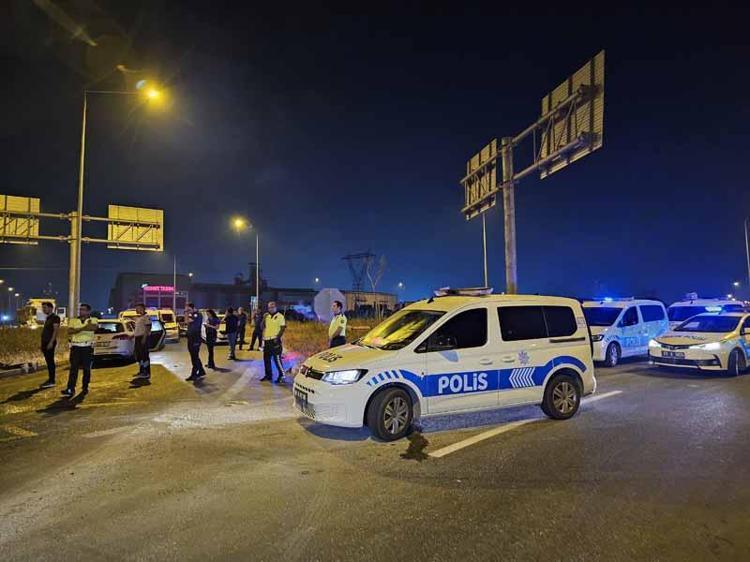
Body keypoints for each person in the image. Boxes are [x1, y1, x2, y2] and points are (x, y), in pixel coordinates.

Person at [62, 303, 98, 398]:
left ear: (88, 311)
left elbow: (93, 328)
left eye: (83, 309)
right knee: (73, 369)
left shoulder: (93, 319)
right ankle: (70, 388)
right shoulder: (73, 320)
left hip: (87, 347)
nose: (81, 311)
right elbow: (70, 331)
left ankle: (85, 386)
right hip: (76, 347)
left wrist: (77, 329)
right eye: (80, 309)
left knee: (86, 369)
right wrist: (85, 327)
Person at [260, 301, 286, 383]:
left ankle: (282, 375)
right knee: (266, 359)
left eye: (272, 307)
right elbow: (261, 327)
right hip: (267, 340)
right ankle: (268, 375)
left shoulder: (280, 316)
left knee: (276, 359)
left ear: (275, 307)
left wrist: (277, 338)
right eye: (269, 307)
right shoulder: (267, 316)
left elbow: (282, 328)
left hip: (275, 341)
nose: (270, 309)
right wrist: (263, 318)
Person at [39, 302, 60, 389]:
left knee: (50, 362)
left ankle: (52, 380)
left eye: (45, 307)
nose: (43, 309)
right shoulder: (48, 318)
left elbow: (55, 331)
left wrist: (51, 342)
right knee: (48, 361)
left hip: (49, 342)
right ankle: (50, 379)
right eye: (43, 308)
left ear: (51, 308)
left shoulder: (55, 318)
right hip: (45, 342)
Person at [185, 303, 206, 381]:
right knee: (194, 356)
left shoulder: (197, 314)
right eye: (187, 310)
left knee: (194, 357)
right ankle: (201, 370)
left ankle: (194, 374)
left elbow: (187, 321)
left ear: (193, 308)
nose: (188, 311)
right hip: (191, 338)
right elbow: (187, 322)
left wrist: (186, 313)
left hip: (195, 338)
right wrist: (187, 313)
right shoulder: (192, 314)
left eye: (189, 309)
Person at [131, 303, 152, 380]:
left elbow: (148, 328)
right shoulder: (139, 318)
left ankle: (146, 372)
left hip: (142, 338)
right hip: (138, 338)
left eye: (137, 308)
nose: (136, 310)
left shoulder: (146, 317)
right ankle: (141, 371)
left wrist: (144, 338)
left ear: (142, 308)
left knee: (144, 356)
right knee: (139, 356)